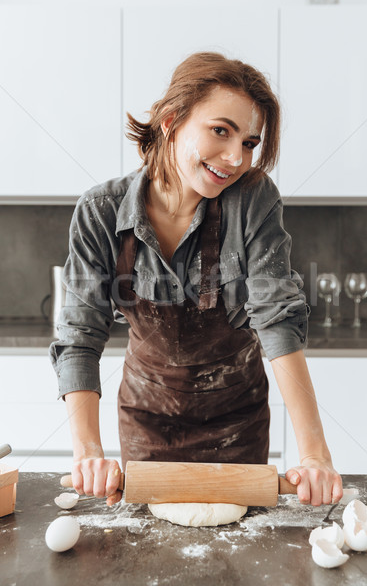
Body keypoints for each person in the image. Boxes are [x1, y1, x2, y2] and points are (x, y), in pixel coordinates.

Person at [50, 51, 343, 507]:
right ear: (171, 120)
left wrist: (315, 453)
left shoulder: (252, 199)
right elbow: (79, 336)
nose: (235, 158)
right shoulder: (101, 211)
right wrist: (88, 451)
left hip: (238, 424)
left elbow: (276, 317)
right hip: (147, 420)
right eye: (220, 131)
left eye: (249, 142)